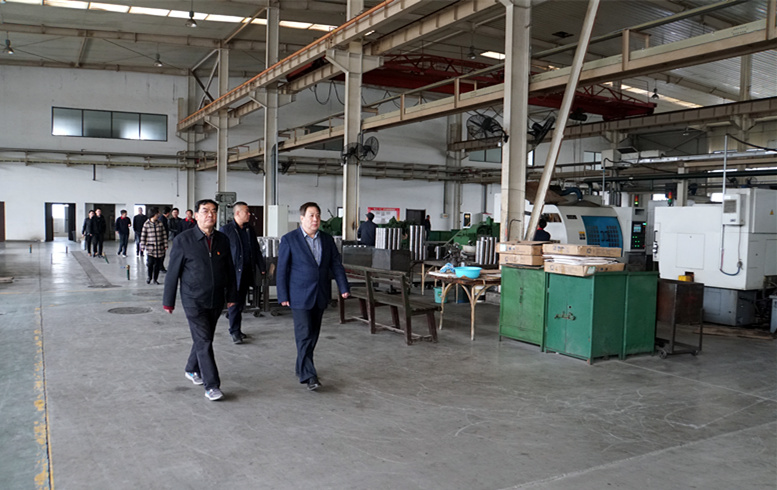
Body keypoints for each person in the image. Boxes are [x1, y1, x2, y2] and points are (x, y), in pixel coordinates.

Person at [163, 199, 237, 402]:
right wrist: (169, 301)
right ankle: (211, 385)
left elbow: (229, 270)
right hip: (193, 300)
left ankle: (191, 368)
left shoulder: (222, 239)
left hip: (216, 299)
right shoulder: (183, 240)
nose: (210, 215)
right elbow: (173, 272)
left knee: (204, 339)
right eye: (205, 211)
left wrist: (232, 296)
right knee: (204, 341)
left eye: (213, 211)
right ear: (196, 215)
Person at [277, 202, 350, 391]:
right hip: (298, 295)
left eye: (317, 215)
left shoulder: (327, 239)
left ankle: (301, 366)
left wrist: (343, 286)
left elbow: (336, 264)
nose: (315, 219)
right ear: (302, 218)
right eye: (311, 215)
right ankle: (309, 375)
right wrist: (282, 294)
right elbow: (282, 269)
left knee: (313, 334)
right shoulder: (290, 239)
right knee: (304, 334)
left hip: (320, 293)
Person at [219, 202, 266, 344]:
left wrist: (262, 267)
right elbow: (220, 253)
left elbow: (256, 250)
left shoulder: (249, 230)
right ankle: (234, 332)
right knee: (234, 303)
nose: (249, 214)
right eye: (247, 211)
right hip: (233, 274)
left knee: (240, 304)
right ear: (238, 213)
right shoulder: (226, 230)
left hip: (247, 272)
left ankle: (237, 329)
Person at [140, 207, 167, 284]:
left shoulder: (160, 223)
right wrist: (142, 246)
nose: (158, 215)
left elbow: (164, 235)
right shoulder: (146, 224)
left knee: (157, 265)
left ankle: (155, 279)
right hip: (150, 248)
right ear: (153, 214)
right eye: (157, 213)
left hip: (159, 248)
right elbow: (143, 236)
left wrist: (165, 244)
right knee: (150, 264)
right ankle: (149, 277)